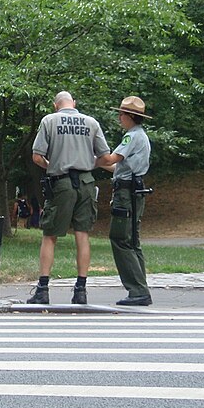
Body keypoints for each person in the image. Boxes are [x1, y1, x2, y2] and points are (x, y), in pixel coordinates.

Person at [28, 91, 110, 305]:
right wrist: (86, 163)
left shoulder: (49, 121)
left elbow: (37, 156)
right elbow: (104, 157)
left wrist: (52, 165)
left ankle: (43, 289)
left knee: (50, 235)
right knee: (82, 234)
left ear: (56, 106)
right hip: (86, 183)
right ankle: (81, 290)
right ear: (74, 103)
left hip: (61, 182)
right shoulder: (91, 122)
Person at [95, 96, 153, 307]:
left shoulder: (131, 137)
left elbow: (111, 159)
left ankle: (137, 290)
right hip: (134, 190)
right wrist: (99, 164)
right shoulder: (141, 136)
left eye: (121, 114)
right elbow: (116, 167)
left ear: (129, 116)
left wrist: (89, 158)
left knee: (120, 239)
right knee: (132, 240)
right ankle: (140, 288)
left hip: (126, 194)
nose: (119, 118)